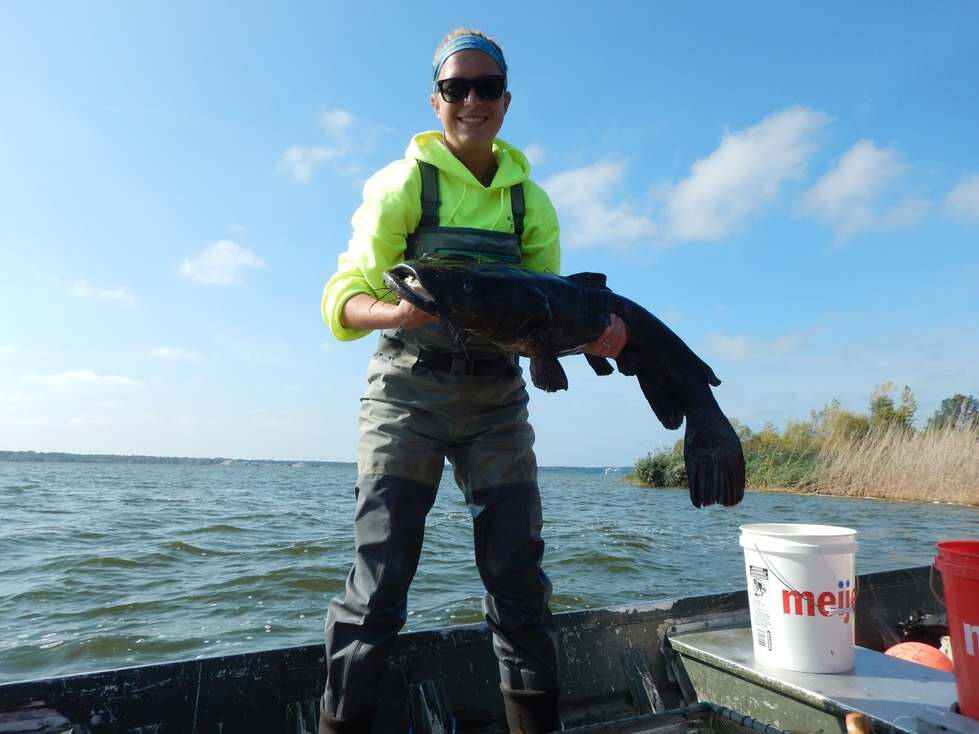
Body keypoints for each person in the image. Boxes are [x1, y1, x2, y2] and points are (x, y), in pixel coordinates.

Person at [319, 29, 627, 734]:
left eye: (486, 87)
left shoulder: (529, 205)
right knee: (380, 580)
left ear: (505, 100)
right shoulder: (402, 184)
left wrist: (598, 336)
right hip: (407, 394)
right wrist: (397, 309)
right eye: (456, 88)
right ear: (436, 101)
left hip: (497, 400)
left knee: (518, 580)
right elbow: (342, 295)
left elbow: (544, 318)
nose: (472, 100)